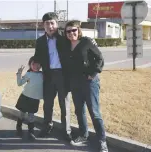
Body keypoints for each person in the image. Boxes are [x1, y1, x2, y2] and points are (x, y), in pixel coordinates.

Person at [64, 20, 108, 152]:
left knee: (94, 112)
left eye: (74, 30)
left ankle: (102, 141)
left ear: (78, 30)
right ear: (65, 33)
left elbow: (100, 58)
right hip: (74, 82)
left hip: (89, 82)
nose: (71, 33)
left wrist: (93, 73)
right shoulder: (66, 45)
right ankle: (84, 135)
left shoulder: (87, 42)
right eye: (68, 31)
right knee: (79, 110)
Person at [34, 12, 72, 141]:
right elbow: (37, 57)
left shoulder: (64, 38)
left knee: (64, 104)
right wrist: (33, 63)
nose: (50, 26)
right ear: (43, 25)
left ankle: (66, 131)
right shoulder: (39, 41)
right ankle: (47, 127)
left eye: (52, 23)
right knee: (48, 104)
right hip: (48, 76)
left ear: (57, 24)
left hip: (63, 76)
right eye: (47, 23)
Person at [15, 56, 43, 140]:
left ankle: (31, 132)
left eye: (38, 64)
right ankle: (18, 128)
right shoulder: (28, 74)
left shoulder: (43, 75)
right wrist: (19, 73)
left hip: (34, 100)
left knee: (31, 116)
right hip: (25, 97)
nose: (36, 66)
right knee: (22, 114)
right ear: (30, 65)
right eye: (33, 64)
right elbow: (19, 83)